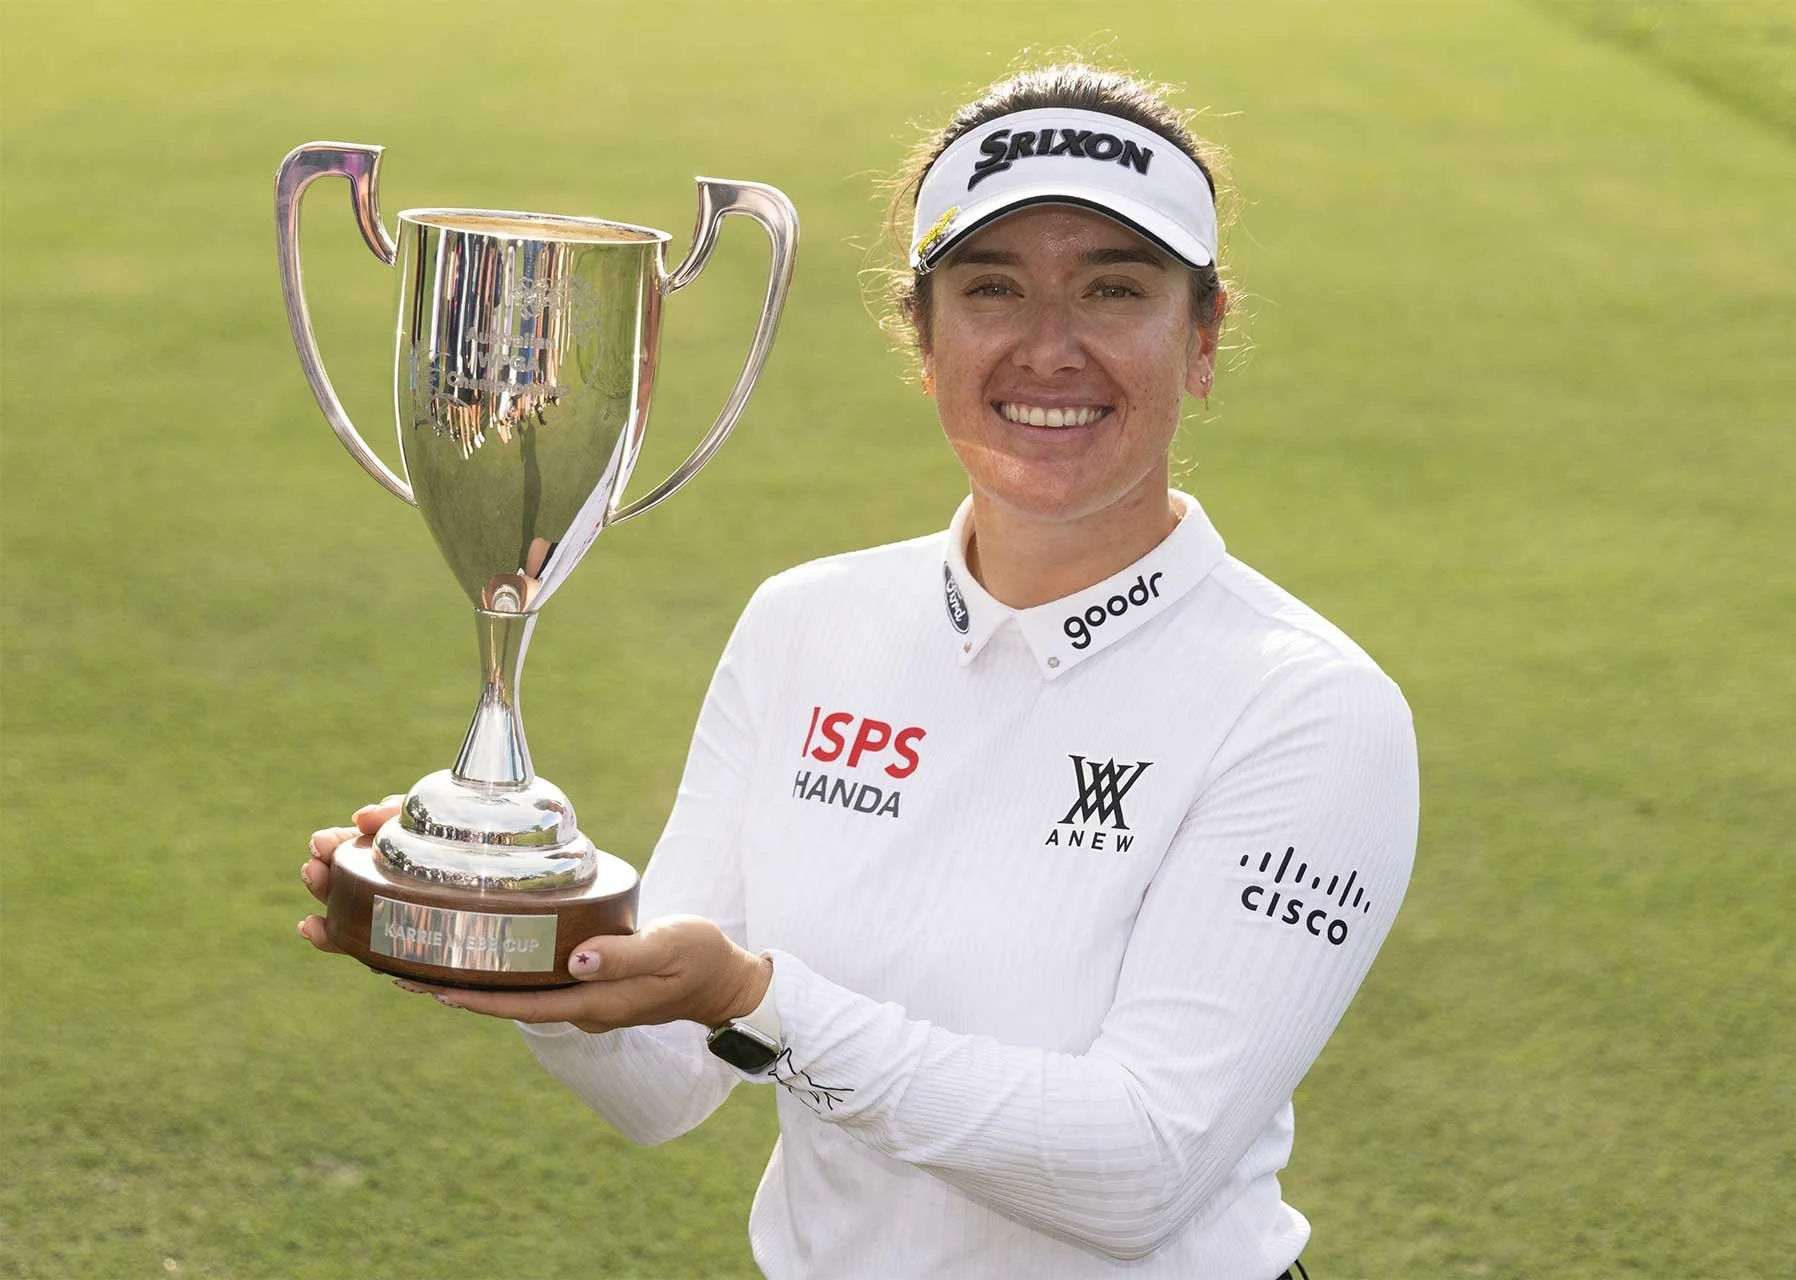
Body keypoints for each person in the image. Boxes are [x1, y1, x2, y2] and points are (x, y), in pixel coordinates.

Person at [301, 63, 1418, 1280]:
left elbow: (1139, 1167)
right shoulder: (807, 622)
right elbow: (664, 1082)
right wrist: (514, 940)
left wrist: (757, 1000)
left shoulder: (1311, 704)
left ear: (1200, 339)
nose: (1050, 347)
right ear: (922, 337)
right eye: (993, 288)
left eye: (1114, 288)